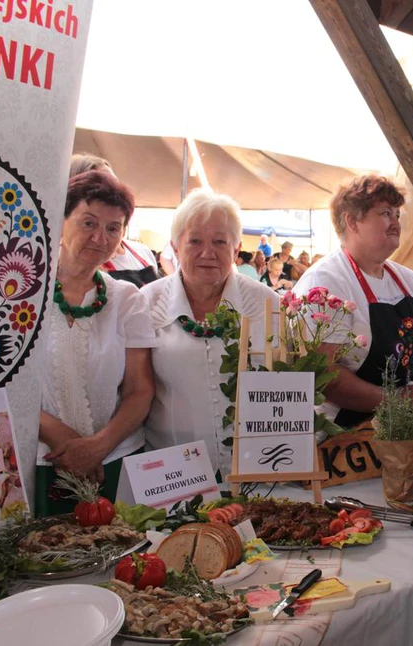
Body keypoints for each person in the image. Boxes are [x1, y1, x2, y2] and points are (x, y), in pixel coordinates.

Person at [36, 170, 156, 515]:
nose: (100, 238)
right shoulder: (20, 293)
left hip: (113, 463)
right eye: (88, 223)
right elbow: (3, 384)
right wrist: (61, 436)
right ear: (60, 220)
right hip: (36, 464)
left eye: (113, 228)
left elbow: (140, 391)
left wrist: (97, 447)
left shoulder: (127, 299)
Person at [293, 175, 413, 427]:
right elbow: (324, 374)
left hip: (412, 427)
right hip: (349, 435)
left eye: (397, 215)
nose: (396, 223)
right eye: (385, 214)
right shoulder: (326, 281)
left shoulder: (407, 278)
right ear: (352, 222)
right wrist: (397, 400)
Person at [142, 189, 280, 478]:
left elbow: (284, 386)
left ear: (236, 247)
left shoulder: (266, 304)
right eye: (195, 241)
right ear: (175, 247)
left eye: (220, 241)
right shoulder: (146, 303)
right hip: (170, 476)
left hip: (254, 469)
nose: (208, 253)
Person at [70, 153, 160, 286]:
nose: (110, 193)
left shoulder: (143, 252)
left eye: (113, 184)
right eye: (98, 188)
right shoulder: (76, 265)